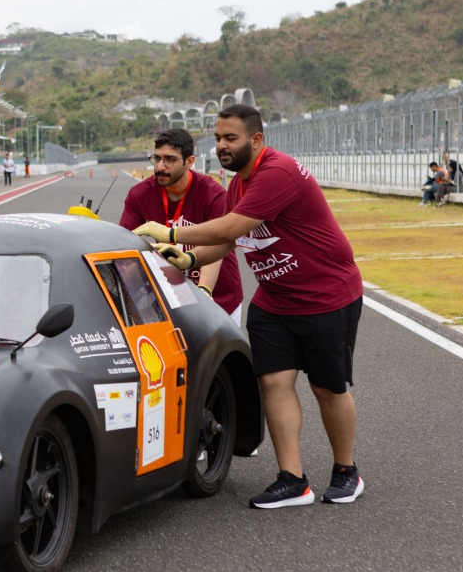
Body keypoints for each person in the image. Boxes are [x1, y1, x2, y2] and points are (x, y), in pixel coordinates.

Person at [134, 104, 365, 509]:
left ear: (256, 139)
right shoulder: (238, 183)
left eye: (230, 138)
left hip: (326, 295)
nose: (220, 145)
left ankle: (346, 470)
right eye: (218, 138)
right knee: (274, 383)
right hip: (275, 299)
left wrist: (170, 230)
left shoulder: (277, 172)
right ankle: (293, 480)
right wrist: (190, 259)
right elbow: (230, 240)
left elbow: (231, 227)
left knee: (327, 388)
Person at [120, 129, 244, 321]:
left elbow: (218, 243)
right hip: (168, 299)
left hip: (218, 299)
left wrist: (204, 290)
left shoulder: (214, 195)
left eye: (169, 159)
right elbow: (124, 247)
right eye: (157, 158)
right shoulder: (139, 195)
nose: (160, 166)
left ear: (189, 161)